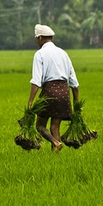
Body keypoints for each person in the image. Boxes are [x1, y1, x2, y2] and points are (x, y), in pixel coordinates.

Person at [28, 24, 80, 152]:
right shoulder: (63, 53)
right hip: (64, 92)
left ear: (40, 38)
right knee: (55, 127)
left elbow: (36, 81)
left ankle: (56, 143)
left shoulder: (39, 54)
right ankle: (56, 158)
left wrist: (30, 102)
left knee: (40, 126)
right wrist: (76, 103)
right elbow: (74, 83)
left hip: (49, 92)